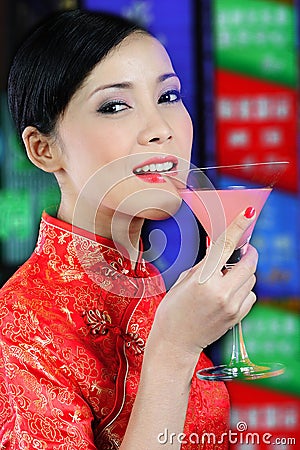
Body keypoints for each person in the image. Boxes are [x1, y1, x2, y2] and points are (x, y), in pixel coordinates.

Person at [0, 9, 258, 450]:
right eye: (115, 105)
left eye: (169, 96)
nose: (160, 129)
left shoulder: (147, 284)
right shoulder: (19, 330)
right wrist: (175, 349)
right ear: (43, 150)